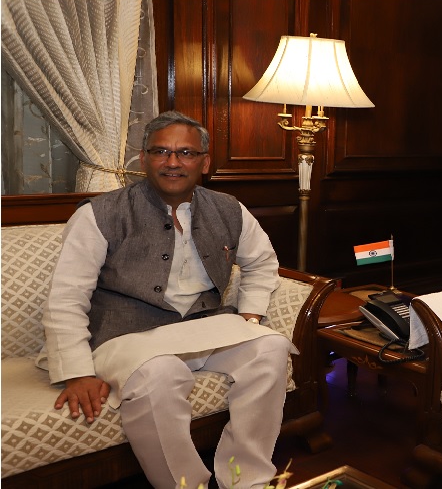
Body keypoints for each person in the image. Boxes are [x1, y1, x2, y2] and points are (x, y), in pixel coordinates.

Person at [44, 111, 288, 488]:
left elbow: (263, 263)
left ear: (204, 162)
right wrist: (77, 373)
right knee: (160, 372)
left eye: (186, 153)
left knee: (270, 347)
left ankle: (247, 480)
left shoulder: (229, 209)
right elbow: (66, 296)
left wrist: (251, 317)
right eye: (161, 151)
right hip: (124, 337)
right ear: (144, 159)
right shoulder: (101, 214)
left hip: (201, 328)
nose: (173, 162)